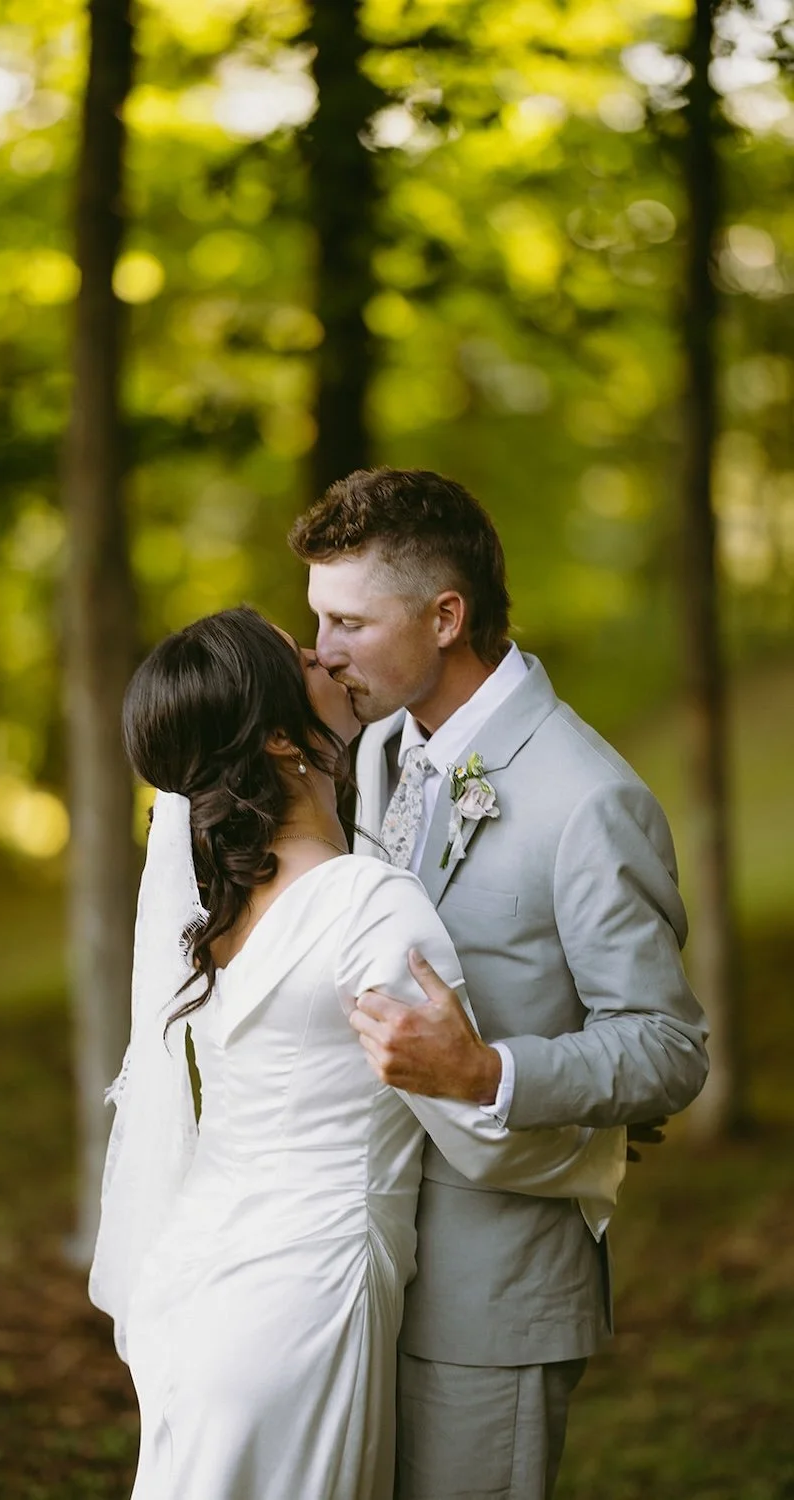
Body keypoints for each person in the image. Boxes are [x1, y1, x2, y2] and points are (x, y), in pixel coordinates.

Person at [89, 605, 625, 1500]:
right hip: (305, 1300)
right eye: (301, 657)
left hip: (198, 1285)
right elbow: (475, 1128)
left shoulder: (214, 908)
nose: (324, 656)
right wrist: (597, 1141)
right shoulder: (369, 905)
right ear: (275, 742)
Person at [289, 467, 711, 1500]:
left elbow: (666, 1045)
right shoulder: (385, 748)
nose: (322, 651)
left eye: (347, 621)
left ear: (444, 616)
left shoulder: (589, 797)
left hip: (495, 1287)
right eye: (316, 619)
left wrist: (487, 1074)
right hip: (366, 1263)